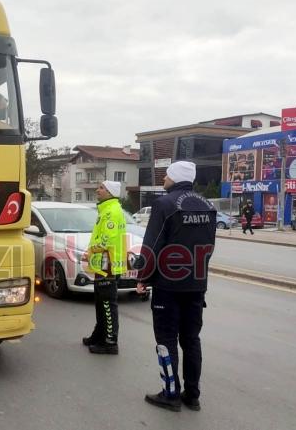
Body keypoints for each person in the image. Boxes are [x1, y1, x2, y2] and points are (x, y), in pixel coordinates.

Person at [135, 161, 216, 412]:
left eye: (166, 176)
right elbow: (209, 247)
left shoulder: (165, 205)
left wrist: (143, 278)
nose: (163, 181)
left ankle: (170, 394)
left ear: (174, 178)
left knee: (166, 339)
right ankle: (192, 395)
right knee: (191, 339)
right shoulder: (208, 206)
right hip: (196, 285)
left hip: (168, 287)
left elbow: (152, 245)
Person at [81, 180, 127, 355]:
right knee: (101, 303)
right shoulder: (107, 209)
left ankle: (110, 342)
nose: (97, 190)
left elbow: (107, 240)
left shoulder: (111, 212)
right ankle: (99, 335)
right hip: (104, 264)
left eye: (101, 188)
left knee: (107, 304)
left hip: (108, 264)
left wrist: (90, 251)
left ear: (109, 192)